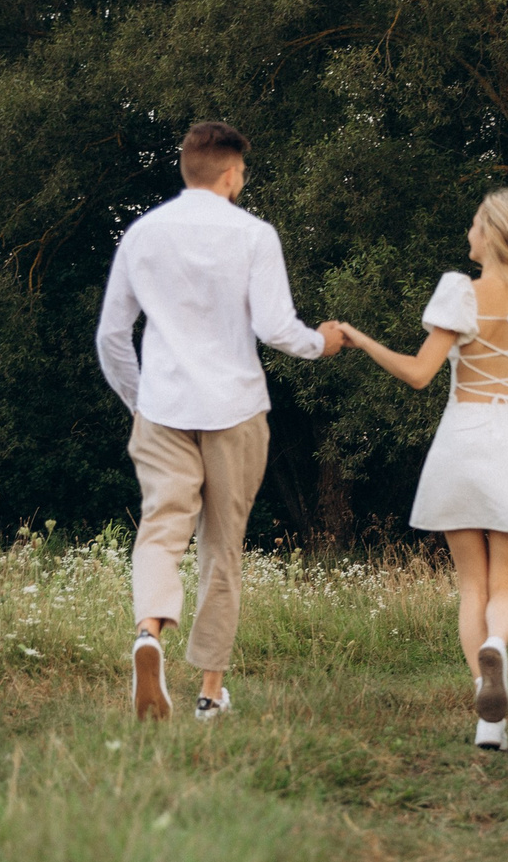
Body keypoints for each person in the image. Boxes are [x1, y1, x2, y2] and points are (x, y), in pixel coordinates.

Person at [336, 189, 508, 750]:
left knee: (472, 586)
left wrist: (361, 340)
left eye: (474, 224)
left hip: (461, 441)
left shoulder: (460, 292)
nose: (469, 232)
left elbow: (419, 374)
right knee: (507, 587)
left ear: (492, 235)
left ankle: (490, 720)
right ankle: (498, 648)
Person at [96, 121, 343, 720]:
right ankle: (209, 694)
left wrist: (140, 400)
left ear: (187, 169)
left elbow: (111, 336)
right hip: (235, 411)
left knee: (161, 530)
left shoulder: (142, 234)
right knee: (222, 549)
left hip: (162, 409)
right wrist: (323, 343)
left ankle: (149, 633)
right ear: (232, 174)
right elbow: (276, 329)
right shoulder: (254, 235)